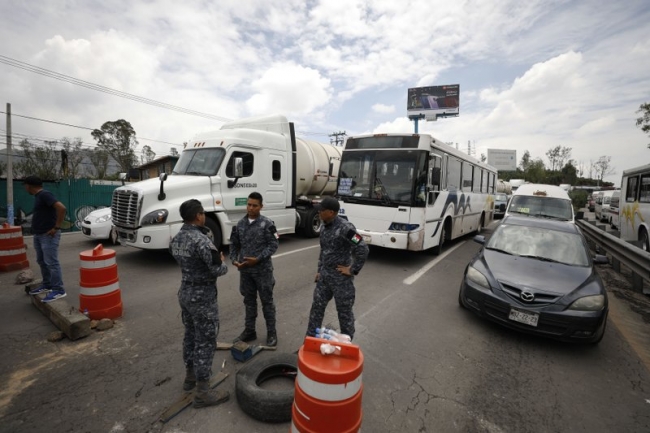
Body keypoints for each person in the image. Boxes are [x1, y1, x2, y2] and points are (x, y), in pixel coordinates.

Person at [169, 199, 229, 408]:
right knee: (205, 340)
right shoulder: (202, 241)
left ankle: (190, 378)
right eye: (203, 213)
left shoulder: (177, 238)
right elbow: (218, 269)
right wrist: (221, 261)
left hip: (185, 292)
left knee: (191, 335)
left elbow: (178, 258)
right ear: (198, 216)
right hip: (202, 296)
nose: (204, 216)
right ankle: (203, 392)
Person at [306, 196, 369, 340]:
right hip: (324, 277)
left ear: (331, 212)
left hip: (341, 279)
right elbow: (323, 251)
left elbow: (363, 249)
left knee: (344, 313)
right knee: (316, 310)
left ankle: (346, 345)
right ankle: (309, 342)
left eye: (322, 210)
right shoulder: (324, 226)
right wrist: (319, 269)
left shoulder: (346, 228)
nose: (319, 213)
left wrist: (352, 270)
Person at [229, 192, 280, 347]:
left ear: (261, 206)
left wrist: (258, 259)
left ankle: (272, 332)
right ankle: (250, 331)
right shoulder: (240, 224)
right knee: (249, 302)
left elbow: (274, 245)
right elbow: (234, 244)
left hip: (263, 271)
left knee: (267, 302)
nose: (251, 208)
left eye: (254, 205)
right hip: (245, 272)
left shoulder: (268, 224)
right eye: (249, 204)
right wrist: (234, 260)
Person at [24, 176, 67, 303]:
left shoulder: (44, 194)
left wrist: (56, 227)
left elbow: (61, 208)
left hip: (48, 235)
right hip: (39, 234)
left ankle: (58, 290)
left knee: (51, 263)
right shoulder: (39, 197)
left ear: (29, 186)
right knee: (42, 261)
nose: (25, 188)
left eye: (25, 185)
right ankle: (47, 284)